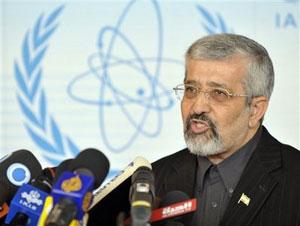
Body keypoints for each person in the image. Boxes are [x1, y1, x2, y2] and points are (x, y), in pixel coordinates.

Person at [88, 34, 300, 226]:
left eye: (219, 93)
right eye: (191, 89)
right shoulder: (151, 181)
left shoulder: (294, 176)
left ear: (255, 110)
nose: (197, 107)